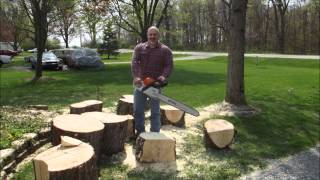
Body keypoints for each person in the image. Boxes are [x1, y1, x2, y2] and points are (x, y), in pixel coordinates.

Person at [131, 26, 173, 136]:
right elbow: (134, 62)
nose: (152, 36)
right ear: (147, 35)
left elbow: (168, 65)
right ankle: (140, 133)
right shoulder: (139, 48)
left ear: (158, 36)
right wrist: (136, 76)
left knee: (155, 111)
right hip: (141, 84)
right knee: (138, 110)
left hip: (155, 84)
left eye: (155, 34)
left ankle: (155, 134)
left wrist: (163, 76)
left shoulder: (165, 50)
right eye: (151, 34)